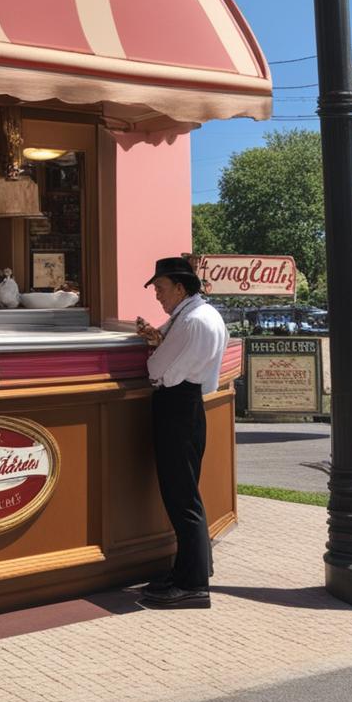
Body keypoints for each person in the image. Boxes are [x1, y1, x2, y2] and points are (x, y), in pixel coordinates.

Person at [136, 257, 229, 609]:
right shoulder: (199, 315)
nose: (158, 296)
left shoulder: (193, 321)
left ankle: (192, 585)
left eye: (160, 288)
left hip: (178, 406)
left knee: (181, 496)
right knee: (184, 493)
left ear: (179, 286)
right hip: (188, 406)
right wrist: (159, 339)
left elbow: (159, 369)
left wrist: (155, 349)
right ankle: (192, 570)